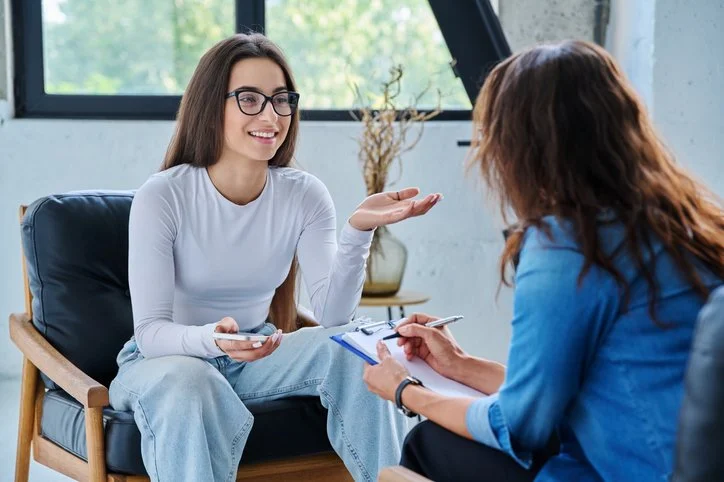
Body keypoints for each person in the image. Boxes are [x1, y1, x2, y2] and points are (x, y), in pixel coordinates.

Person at [363, 39, 724, 482]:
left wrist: (405, 391)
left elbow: (521, 425)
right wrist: (460, 365)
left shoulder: (568, 244)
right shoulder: (686, 222)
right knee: (436, 443)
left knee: (418, 451)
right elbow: (570, 395)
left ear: (520, 146)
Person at [108, 33, 441, 482]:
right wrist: (212, 340)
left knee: (357, 348)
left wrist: (358, 232)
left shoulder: (303, 194)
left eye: (281, 100)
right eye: (249, 99)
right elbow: (149, 334)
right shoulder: (164, 195)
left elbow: (332, 316)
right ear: (211, 105)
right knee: (194, 383)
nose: (270, 115)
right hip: (163, 364)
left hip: (257, 351)